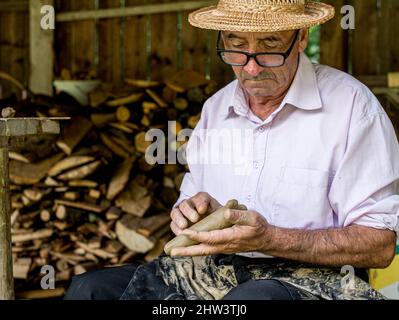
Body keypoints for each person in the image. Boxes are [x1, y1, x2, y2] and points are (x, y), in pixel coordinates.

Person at [65, 0, 398, 300]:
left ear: (301, 37)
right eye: (236, 46)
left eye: (270, 46)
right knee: (90, 290)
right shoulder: (217, 108)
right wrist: (193, 213)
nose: (251, 68)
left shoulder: (351, 107)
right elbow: (192, 199)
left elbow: (379, 245)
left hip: (314, 280)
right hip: (213, 275)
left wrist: (269, 239)